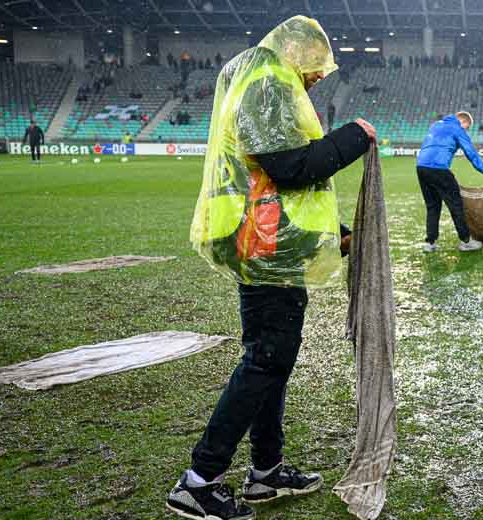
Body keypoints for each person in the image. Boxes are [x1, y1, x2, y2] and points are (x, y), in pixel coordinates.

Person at [174, 16, 376, 520]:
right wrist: (355, 137)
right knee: (266, 358)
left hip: (261, 242)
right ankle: (199, 480)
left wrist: (330, 240)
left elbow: (275, 180)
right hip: (261, 245)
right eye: (315, 67)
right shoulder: (268, 81)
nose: (317, 79)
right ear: (299, 52)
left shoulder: (259, 76)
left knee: (271, 360)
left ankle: (266, 470)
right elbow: (288, 167)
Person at [415, 111, 483, 252]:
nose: (466, 131)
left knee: (432, 206)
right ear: (463, 122)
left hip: (421, 167)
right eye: (467, 128)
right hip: (439, 168)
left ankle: (430, 243)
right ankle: (466, 241)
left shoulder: (436, 125)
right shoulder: (458, 129)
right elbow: (471, 153)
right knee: (456, 204)